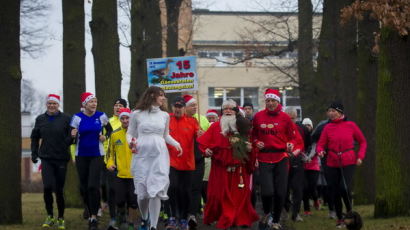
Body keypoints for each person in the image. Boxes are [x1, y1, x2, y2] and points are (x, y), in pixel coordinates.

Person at [197, 99, 259, 229]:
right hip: (220, 169)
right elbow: (203, 143)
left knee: (238, 198)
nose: (228, 111)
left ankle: (235, 220)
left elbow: (252, 146)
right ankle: (226, 218)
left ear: (236, 111)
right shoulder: (215, 126)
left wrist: (250, 149)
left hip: (239, 170)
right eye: (225, 108)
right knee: (220, 197)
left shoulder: (243, 126)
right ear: (222, 111)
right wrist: (206, 150)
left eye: (231, 108)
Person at [127, 86, 182, 230]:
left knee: (156, 189)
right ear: (152, 95)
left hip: (159, 155)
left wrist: (176, 144)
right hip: (141, 155)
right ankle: (145, 217)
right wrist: (130, 142)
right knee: (142, 193)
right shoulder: (136, 114)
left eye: (164, 95)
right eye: (161, 95)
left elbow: (165, 135)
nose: (163, 98)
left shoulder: (165, 115)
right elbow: (130, 133)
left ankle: (153, 225)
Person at [252, 89, 303, 230]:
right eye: (268, 101)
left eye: (273, 101)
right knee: (267, 192)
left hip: (281, 158)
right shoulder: (258, 117)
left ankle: (275, 220)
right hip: (264, 158)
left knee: (281, 192)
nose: (270, 103)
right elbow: (253, 135)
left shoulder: (285, 118)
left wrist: (291, 144)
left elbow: (295, 137)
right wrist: (257, 142)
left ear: (278, 102)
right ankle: (267, 213)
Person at [316, 102, 367, 228]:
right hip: (332, 162)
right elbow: (320, 144)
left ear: (340, 112)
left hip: (348, 161)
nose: (331, 113)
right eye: (329, 111)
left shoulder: (351, 125)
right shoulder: (327, 127)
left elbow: (363, 142)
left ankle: (350, 215)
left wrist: (360, 156)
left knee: (344, 188)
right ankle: (340, 218)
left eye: (334, 111)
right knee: (335, 191)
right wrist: (320, 151)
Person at [71, 92, 113, 230]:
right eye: (91, 102)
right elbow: (71, 138)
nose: (94, 104)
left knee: (92, 186)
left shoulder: (101, 116)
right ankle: (89, 211)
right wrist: (73, 135)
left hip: (97, 154)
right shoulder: (77, 118)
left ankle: (94, 218)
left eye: (95, 101)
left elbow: (110, 130)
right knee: (84, 187)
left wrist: (104, 137)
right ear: (85, 104)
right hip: (81, 155)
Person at [31, 94, 72, 230]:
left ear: (58, 105)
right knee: (47, 187)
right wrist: (34, 153)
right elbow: (35, 137)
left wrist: (66, 142)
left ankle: (60, 217)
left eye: (54, 103)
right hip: (46, 158)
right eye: (49, 103)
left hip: (61, 159)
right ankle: (50, 216)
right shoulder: (40, 119)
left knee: (59, 190)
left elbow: (73, 137)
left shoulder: (66, 119)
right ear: (46, 105)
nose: (52, 106)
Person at [165, 97, 200, 230]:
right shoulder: (167, 120)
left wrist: (201, 135)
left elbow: (200, 136)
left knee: (185, 192)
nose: (178, 109)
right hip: (171, 162)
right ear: (173, 107)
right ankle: (172, 217)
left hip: (187, 163)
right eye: (176, 106)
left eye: (180, 106)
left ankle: (184, 218)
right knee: (172, 187)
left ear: (184, 108)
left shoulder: (192, 121)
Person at [106, 108, 139, 230]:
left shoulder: (137, 133)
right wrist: (109, 163)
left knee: (133, 201)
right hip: (120, 174)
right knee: (119, 200)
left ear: (131, 118)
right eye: (122, 118)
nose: (125, 120)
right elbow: (109, 153)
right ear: (120, 119)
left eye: (127, 118)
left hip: (135, 174)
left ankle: (131, 223)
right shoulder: (114, 134)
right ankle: (121, 216)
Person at [182, 94, 210, 229]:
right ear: (185, 108)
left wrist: (204, 139)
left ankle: (192, 214)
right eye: (192, 105)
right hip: (184, 160)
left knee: (196, 188)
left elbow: (202, 139)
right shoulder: (179, 120)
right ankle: (183, 213)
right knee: (185, 187)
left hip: (198, 158)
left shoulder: (197, 120)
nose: (195, 107)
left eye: (195, 105)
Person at [103, 98, 128, 228]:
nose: (118, 108)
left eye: (121, 105)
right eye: (116, 105)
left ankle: (123, 215)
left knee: (125, 192)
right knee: (112, 190)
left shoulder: (128, 122)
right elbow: (104, 139)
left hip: (126, 162)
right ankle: (113, 218)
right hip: (110, 162)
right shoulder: (107, 121)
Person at [284, 108, 308, 222]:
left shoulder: (302, 128)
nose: (290, 121)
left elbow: (306, 143)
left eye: (293, 118)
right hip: (283, 160)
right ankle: (286, 209)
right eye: (288, 118)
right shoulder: (281, 128)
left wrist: (297, 153)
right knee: (284, 187)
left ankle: (296, 213)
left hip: (297, 160)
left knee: (297, 188)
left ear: (296, 118)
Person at [301, 118, 321, 215]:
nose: (307, 127)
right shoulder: (300, 137)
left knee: (312, 187)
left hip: (314, 166)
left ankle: (316, 200)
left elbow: (315, 149)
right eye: (305, 125)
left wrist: (309, 157)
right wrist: (304, 157)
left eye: (309, 125)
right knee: (305, 187)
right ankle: (307, 209)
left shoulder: (315, 138)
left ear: (312, 127)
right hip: (303, 166)